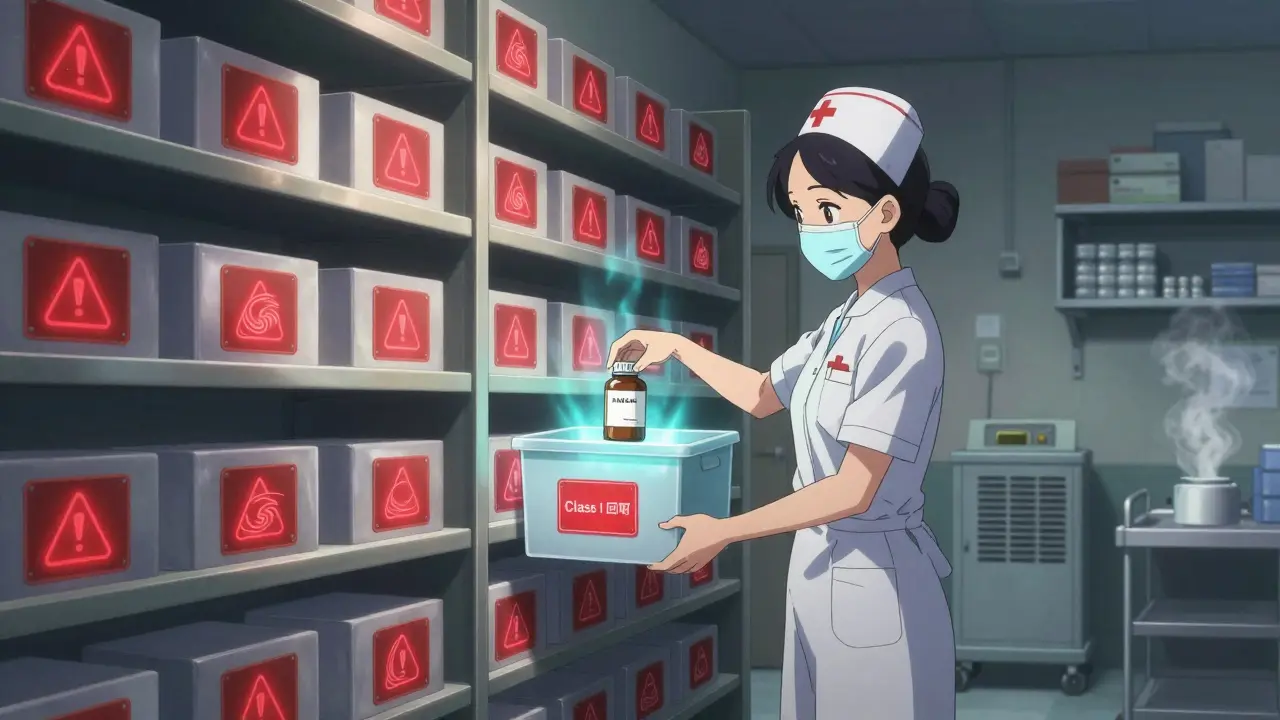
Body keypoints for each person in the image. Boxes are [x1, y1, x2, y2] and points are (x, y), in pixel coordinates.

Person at [607, 87, 961, 719]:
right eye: (800, 213)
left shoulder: (903, 329)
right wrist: (678, 348)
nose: (811, 230)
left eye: (827, 209)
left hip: (875, 579)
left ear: (883, 213)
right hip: (818, 569)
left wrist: (726, 531)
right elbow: (763, 395)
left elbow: (856, 487)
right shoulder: (843, 320)